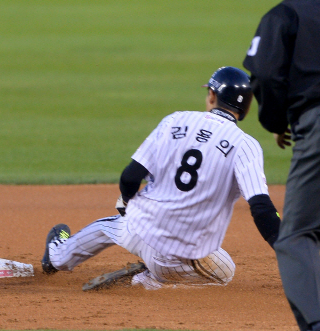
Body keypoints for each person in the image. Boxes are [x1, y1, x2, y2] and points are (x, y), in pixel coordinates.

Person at [41, 66, 281, 290]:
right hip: (178, 256)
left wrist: (127, 201)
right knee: (226, 272)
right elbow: (262, 211)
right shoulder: (246, 146)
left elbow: (130, 177)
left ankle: (56, 256)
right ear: (245, 108)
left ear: (211, 95)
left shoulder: (175, 120)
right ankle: (147, 281)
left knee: (113, 226)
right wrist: (293, 254)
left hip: (140, 229)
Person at [243, 1, 320, 329]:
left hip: (315, 120)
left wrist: (277, 121)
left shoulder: (284, 14)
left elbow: (264, 73)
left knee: (297, 235)